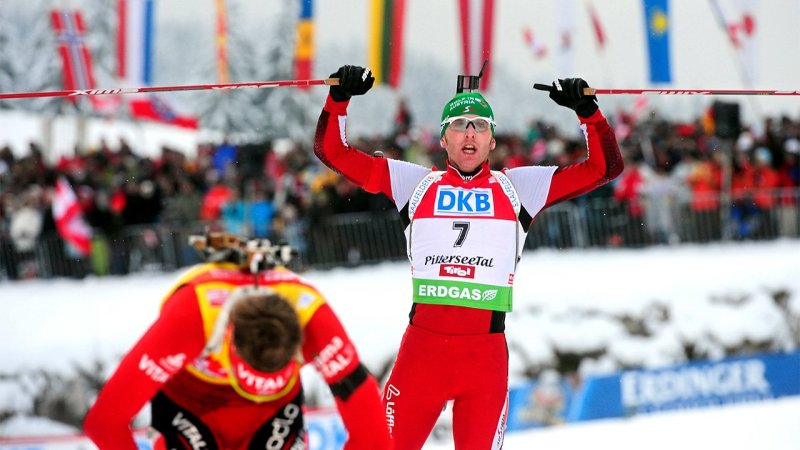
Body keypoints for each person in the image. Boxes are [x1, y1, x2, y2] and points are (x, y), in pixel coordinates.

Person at [313, 65, 623, 449]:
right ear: (444, 138)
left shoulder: (519, 187)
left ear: (493, 139)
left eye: (480, 125)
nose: (470, 132)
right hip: (421, 357)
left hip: (484, 360)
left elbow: (606, 168)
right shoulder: (415, 182)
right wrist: (338, 100)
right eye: (459, 124)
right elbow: (332, 152)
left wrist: (587, 113)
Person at [83, 232, 392, 450]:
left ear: (299, 347)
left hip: (273, 412)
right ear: (227, 341)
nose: (252, 393)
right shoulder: (193, 316)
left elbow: (374, 439)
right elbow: (104, 422)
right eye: (250, 381)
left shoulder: (314, 321)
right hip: (192, 405)